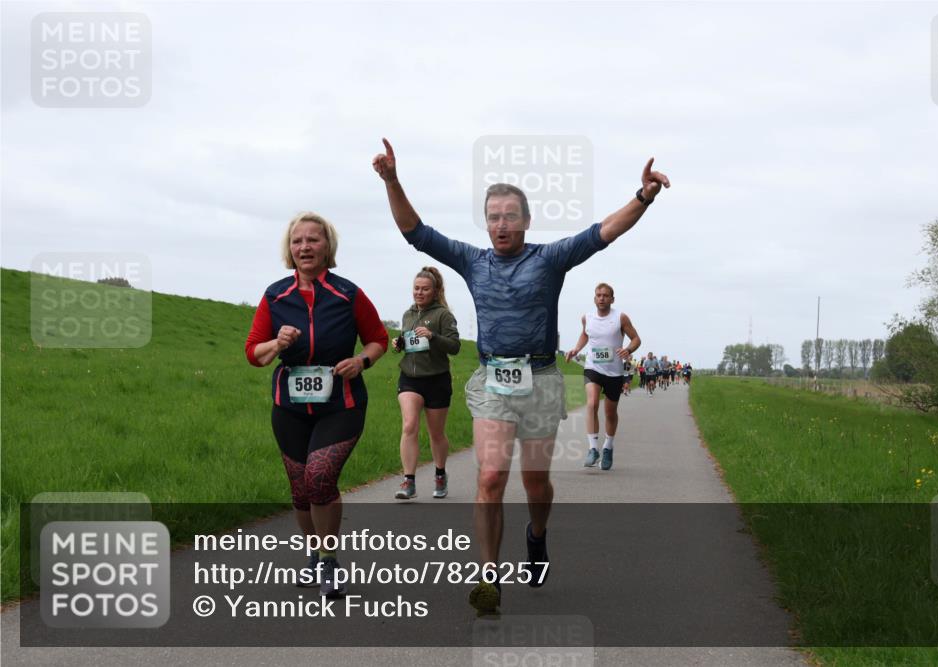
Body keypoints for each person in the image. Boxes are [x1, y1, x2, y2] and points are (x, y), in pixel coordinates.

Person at [372, 138, 669, 615]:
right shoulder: (472, 261)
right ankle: (489, 579)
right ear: (486, 222)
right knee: (490, 477)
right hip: (493, 381)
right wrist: (391, 180)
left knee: (535, 483)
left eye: (511, 215)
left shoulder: (548, 259)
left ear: (526, 222)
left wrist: (643, 196)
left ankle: (537, 535)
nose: (501, 224)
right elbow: (416, 232)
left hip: (541, 380)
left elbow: (603, 232)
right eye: (493, 216)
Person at [245, 212, 388, 599]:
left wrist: (361, 361)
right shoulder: (276, 295)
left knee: (320, 477)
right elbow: (253, 354)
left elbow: (378, 338)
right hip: (289, 408)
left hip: (341, 404)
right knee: (301, 491)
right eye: (297, 242)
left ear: (328, 247)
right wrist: (277, 344)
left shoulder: (348, 293)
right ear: (289, 250)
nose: (305, 247)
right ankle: (314, 554)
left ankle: (328, 560)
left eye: (313, 240)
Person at [392, 266, 461, 500]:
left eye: (424, 289)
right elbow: (409, 343)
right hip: (409, 378)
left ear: (435, 291)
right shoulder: (407, 314)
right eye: (416, 288)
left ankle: (440, 474)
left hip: (436, 380)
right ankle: (408, 481)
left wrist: (433, 337)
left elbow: (455, 346)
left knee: (436, 434)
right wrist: (399, 344)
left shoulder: (443, 315)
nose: (419, 293)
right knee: (409, 425)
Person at [565, 283, 640, 471]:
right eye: (598, 295)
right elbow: (585, 335)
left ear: (612, 299)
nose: (601, 298)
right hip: (593, 368)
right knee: (591, 404)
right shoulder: (587, 318)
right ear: (594, 298)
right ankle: (592, 448)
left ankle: (608, 447)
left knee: (610, 413)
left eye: (605, 295)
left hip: (614, 372)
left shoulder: (620, 318)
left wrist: (628, 349)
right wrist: (576, 349)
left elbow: (636, 339)